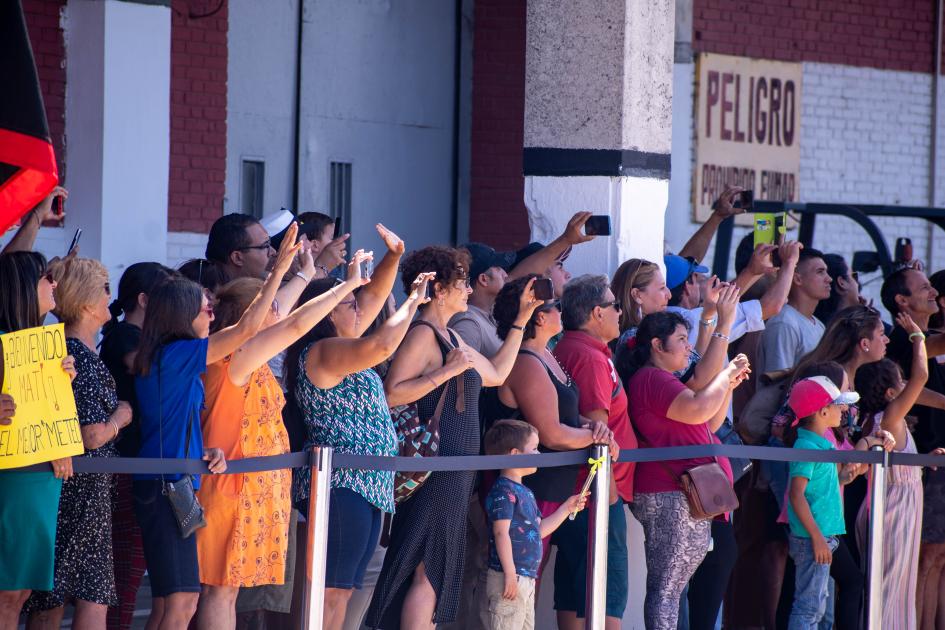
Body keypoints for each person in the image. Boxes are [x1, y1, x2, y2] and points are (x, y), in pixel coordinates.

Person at [195, 244, 374, 630]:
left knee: (228, 590)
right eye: (270, 308)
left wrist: (306, 274)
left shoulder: (246, 356)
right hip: (229, 487)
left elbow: (286, 314)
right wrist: (346, 286)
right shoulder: (235, 360)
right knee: (219, 590)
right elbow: (293, 325)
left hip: (251, 487)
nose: (278, 313)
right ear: (251, 316)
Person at [131, 225, 300, 630]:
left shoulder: (179, 358)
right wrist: (277, 274)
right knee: (178, 601)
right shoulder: (175, 355)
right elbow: (245, 330)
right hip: (163, 484)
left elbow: (184, 420)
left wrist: (206, 449)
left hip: (180, 480)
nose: (210, 310)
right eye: (202, 306)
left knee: (181, 600)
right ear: (179, 315)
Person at [366, 245, 541, 630]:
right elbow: (393, 391)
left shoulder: (450, 336)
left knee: (434, 565)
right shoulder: (423, 335)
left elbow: (495, 374)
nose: (467, 290)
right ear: (439, 290)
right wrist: (445, 373)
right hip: (435, 466)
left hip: (454, 469)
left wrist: (521, 321)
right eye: (461, 282)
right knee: (427, 564)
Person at [619, 311, 750, 630]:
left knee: (673, 588)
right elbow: (696, 410)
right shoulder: (651, 378)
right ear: (656, 345)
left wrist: (728, 384)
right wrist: (722, 375)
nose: (688, 347)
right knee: (667, 589)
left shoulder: (664, 379)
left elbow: (709, 424)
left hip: (679, 494)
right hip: (667, 493)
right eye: (680, 340)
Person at [23, 258, 134, 628]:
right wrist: (121, 416)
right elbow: (91, 434)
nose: (110, 298)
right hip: (78, 492)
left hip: (86, 492)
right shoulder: (79, 358)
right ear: (87, 303)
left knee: (88, 595)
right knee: (59, 598)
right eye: (104, 289)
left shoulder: (81, 354)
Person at [490, 276, 617, 562]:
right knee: (523, 581)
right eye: (556, 306)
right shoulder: (526, 361)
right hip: (531, 490)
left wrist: (591, 426)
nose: (563, 312)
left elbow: (567, 415)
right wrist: (601, 438)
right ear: (540, 317)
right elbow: (553, 434)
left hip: (550, 488)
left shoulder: (546, 353)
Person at [551, 275, 637, 630]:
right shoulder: (588, 357)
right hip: (595, 495)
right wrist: (609, 498)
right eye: (616, 306)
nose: (621, 312)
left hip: (577, 493)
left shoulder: (576, 349)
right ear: (596, 313)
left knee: (577, 592)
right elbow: (597, 435)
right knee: (603, 596)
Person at [0, 251, 77, 630]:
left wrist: (63, 382)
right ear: (22, 288)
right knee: (6, 592)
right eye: (47, 278)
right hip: (14, 480)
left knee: (20, 592)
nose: (55, 285)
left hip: (40, 477)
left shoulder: (45, 347)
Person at [98, 262, 174, 630]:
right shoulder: (124, 336)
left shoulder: (143, 337)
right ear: (144, 300)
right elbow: (142, 366)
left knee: (133, 568)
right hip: (123, 465)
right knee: (123, 572)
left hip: (137, 463)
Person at [854, 315, 935, 630]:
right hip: (895, 508)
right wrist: (918, 339)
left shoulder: (877, 420)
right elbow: (921, 377)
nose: (907, 390)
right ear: (890, 393)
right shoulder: (889, 417)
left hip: (893, 504)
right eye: (899, 384)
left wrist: (922, 458)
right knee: (888, 588)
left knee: (891, 585)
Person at [880, 267, 945, 629]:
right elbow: (913, 385)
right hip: (920, 458)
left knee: (937, 559)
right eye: (924, 288)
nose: (932, 290)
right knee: (926, 559)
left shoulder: (920, 337)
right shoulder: (905, 340)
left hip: (934, 455)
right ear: (902, 302)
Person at [481, 420, 587, 630]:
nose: (539, 454)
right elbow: (501, 533)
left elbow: (537, 532)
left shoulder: (526, 492)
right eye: (534, 449)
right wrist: (510, 574)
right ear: (514, 454)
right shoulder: (503, 492)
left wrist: (566, 508)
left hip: (526, 580)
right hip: (508, 579)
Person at [784, 375, 862, 629]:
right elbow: (796, 495)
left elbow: (814, 488)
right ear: (822, 411)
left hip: (822, 536)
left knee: (817, 605)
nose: (844, 410)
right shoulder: (806, 446)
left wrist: (841, 478)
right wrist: (817, 538)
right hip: (813, 538)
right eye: (839, 405)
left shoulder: (818, 444)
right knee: (809, 608)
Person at [759, 248, 832, 374]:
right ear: (798, 279)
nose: (829, 279)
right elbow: (777, 383)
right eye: (820, 272)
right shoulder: (784, 324)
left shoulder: (819, 325)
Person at [813, 254, 862, 325]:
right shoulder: (854, 329)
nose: (858, 284)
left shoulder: (816, 325)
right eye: (854, 276)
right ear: (842, 283)